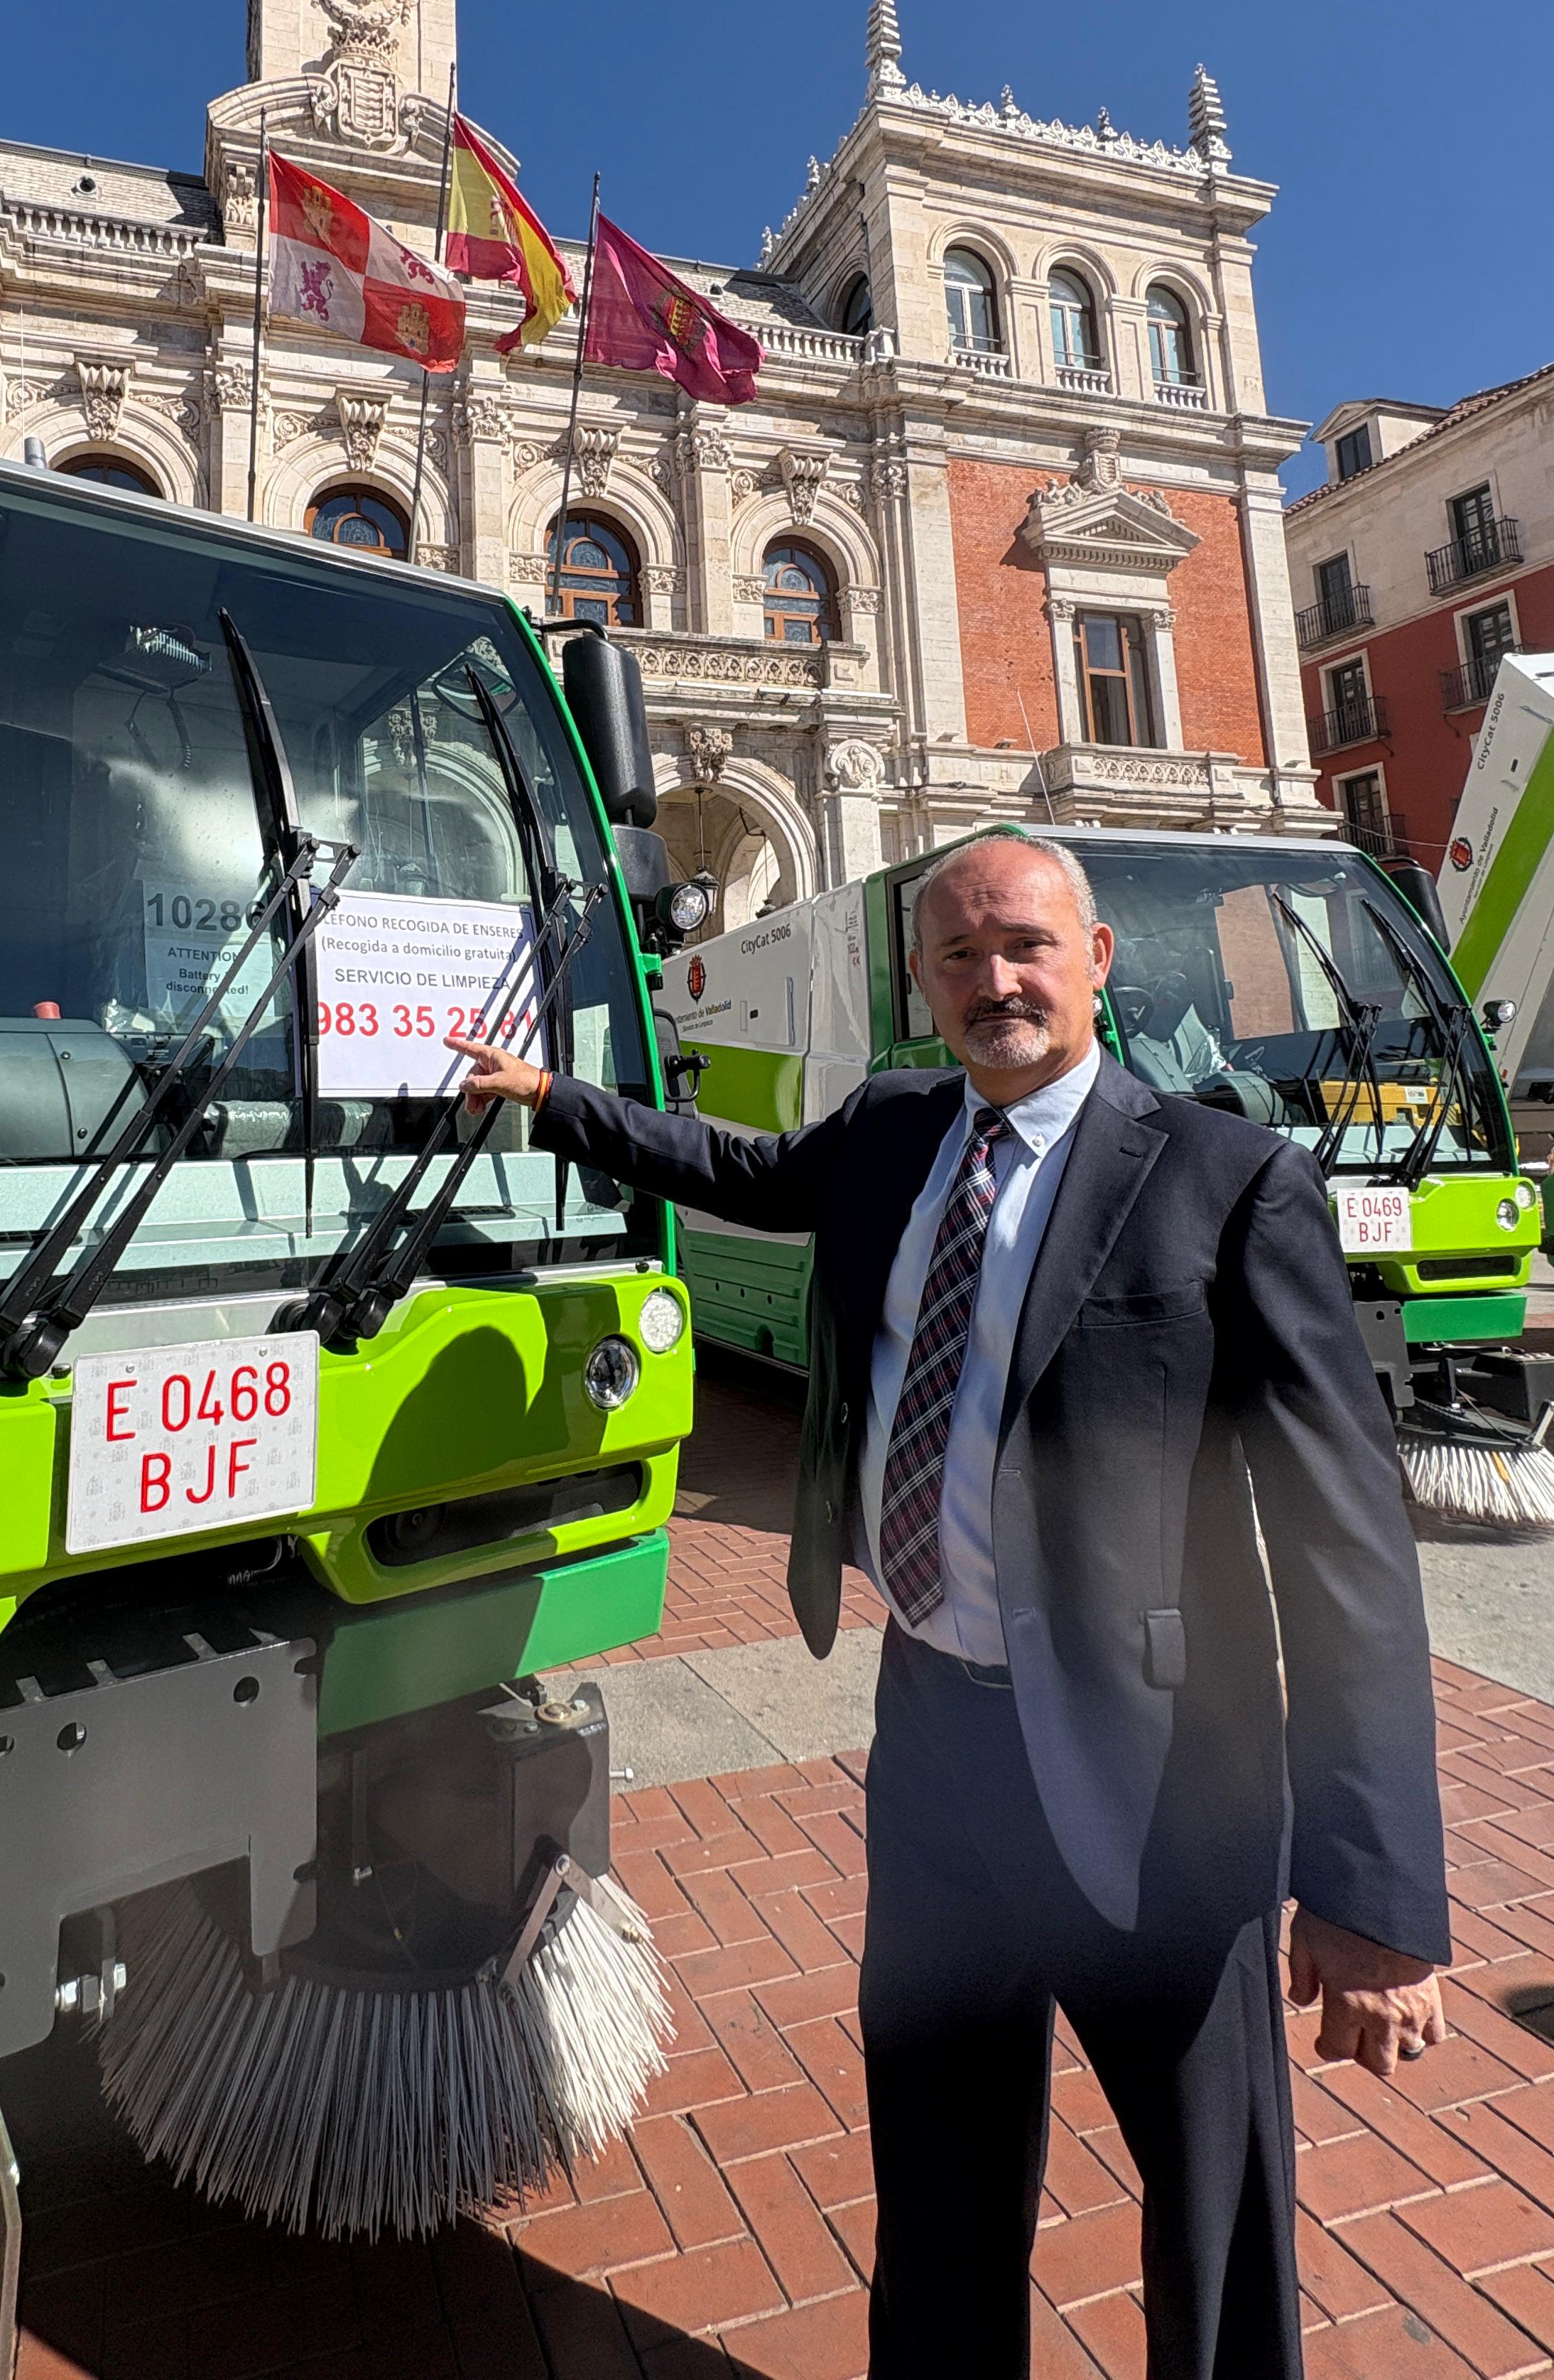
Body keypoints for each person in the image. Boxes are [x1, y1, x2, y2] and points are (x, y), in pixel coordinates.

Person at [448, 829, 1447, 2380]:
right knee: (938, 2179)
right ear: (923, 982)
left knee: (1213, 2198)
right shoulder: (894, 1128)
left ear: (1096, 961)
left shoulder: (1226, 1181)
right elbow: (737, 1170)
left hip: (1160, 1780)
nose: (998, 982)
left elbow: (1347, 1545)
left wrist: (1375, 1890)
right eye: (962, 955)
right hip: (936, 1753)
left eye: (1027, 945)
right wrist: (552, 1100)